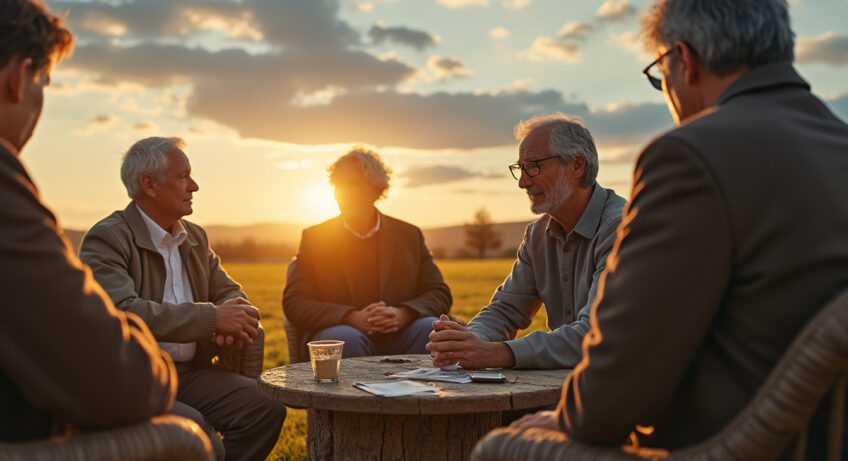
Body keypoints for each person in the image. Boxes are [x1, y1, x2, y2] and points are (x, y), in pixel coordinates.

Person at [512, 0, 848, 457]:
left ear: (684, 60)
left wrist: (565, 418)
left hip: (719, 445)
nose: (665, 92)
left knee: (504, 445)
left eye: (659, 74)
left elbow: (614, 391)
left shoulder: (690, 156)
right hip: (822, 440)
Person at [0, 0, 179, 443]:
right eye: (46, 82)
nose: (194, 186)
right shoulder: (7, 191)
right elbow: (128, 381)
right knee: (186, 443)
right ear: (19, 79)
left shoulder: (194, 238)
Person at [79, 137, 286, 461]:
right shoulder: (108, 237)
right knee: (200, 435)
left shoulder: (195, 237)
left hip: (190, 375)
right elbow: (120, 311)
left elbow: (229, 291)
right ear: (149, 184)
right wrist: (212, 320)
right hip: (134, 378)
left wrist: (232, 313)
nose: (195, 186)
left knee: (265, 407)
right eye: (183, 176)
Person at [427, 114, 626, 370]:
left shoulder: (621, 229)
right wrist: (466, 342)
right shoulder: (538, 235)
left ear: (577, 166)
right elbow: (506, 310)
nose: (523, 182)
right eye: (520, 168)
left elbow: (597, 333)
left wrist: (501, 353)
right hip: (571, 383)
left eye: (534, 165)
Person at [283, 146, 452, 358]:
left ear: (376, 188)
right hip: (342, 333)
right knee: (346, 338)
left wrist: (404, 313)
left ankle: (422, 392)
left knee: (430, 329)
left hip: (402, 333)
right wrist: (350, 317)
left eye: (352, 183)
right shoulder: (315, 238)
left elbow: (439, 293)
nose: (343, 192)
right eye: (338, 184)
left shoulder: (409, 235)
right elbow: (295, 303)